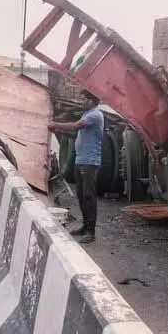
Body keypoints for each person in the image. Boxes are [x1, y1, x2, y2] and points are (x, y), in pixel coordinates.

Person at [48, 91, 104, 244]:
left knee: (89, 196)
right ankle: (85, 227)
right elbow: (78, 133)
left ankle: (90, 232)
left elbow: (75, 126)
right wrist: (60, 130)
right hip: (81, 160)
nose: (82, 101)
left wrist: (56, 124)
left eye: (85, 99)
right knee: (81, 195)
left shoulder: (94, 115)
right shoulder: (87, 115)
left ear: (93, 101)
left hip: (90, 162)